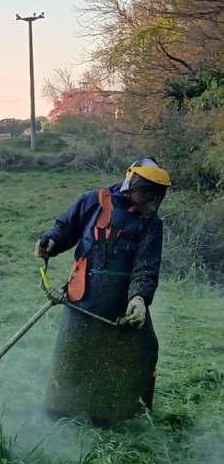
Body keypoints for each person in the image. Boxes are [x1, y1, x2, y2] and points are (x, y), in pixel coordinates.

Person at [35, 157, 171, 426]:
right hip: (83, 293)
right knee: (75, 353)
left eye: (157, 192)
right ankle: (60, 410)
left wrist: (139, 298)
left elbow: (146, 265)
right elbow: (65, 228)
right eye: (147, 189)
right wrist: (51, 241)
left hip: (123, 300)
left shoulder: (151, 224)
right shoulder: (93, 201)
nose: (151, 198)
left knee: (144, 350)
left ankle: (123, 413)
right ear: (131, 183)